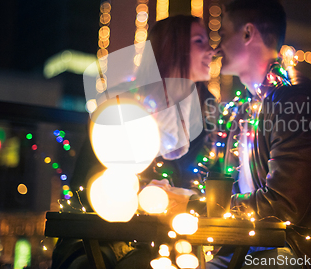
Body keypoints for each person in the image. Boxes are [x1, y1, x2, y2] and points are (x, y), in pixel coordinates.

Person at [51, 15, 219, 269]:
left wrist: (184, 197)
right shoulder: (123, 102)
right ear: (171, 48)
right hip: (102, 237)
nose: (212, 51)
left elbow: (212, 184)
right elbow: (86, 184)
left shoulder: (208, 112)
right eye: (199, 41)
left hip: (175, 238)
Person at [206, 0, 311, 268]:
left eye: (224, 33)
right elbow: (219, 182)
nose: (217, 47)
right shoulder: (242, 108)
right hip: (249, 246)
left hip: (302, 250)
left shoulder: (294, 100)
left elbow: (284, 206)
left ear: (247, 33)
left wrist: (201, 208)